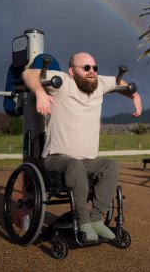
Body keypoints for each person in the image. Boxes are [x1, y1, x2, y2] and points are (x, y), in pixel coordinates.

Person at [22, 52, 142, 241]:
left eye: (95, 67)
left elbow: (121, 85)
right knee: (74, 165)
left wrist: (134, 95)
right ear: (71, 71)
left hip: (86, 160)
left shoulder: (99, 84)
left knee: (111, 165)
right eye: (86, 68)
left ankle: (96, 219)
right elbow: (29, 74)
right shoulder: (62, 81)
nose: (91, 71)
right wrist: (40, 93)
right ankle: (83, 221)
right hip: (57, 158)